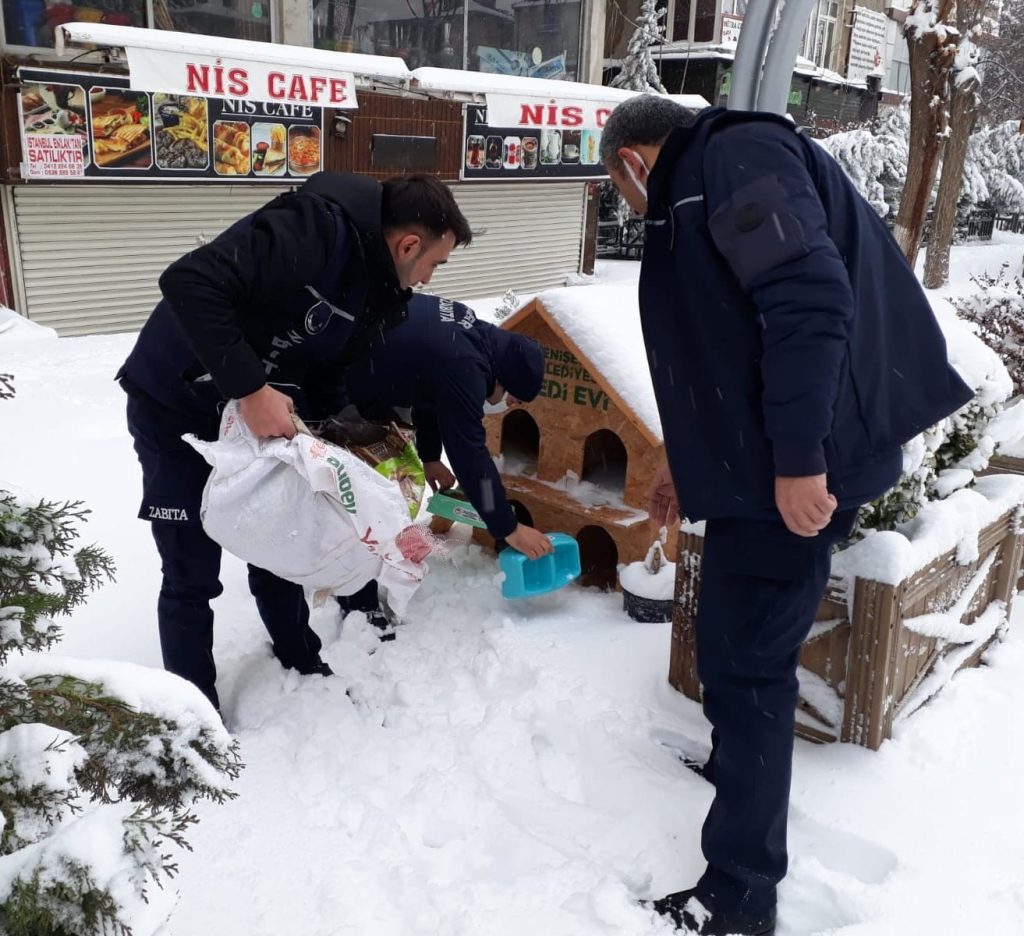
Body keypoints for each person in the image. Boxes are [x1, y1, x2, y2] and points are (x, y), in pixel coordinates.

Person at [600, 96, 972, 935]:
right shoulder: (711, 174)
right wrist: (681, 466)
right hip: (755, 469)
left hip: (791, 472)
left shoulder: (732, 161)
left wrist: (801, 462)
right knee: (735, 652)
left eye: (619, 190)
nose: (629, 208)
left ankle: (738, 894)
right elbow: (723, 346)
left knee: (747, 667)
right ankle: (736, 770)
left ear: (632, 160)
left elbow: (807, 299)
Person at [117, 172, 472, 711]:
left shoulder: (379, 292)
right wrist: (252, 388)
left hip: (260, 417)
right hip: (178, 405)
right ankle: (194, 718)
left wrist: (337, 443)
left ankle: (299, 654)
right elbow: (189, 282)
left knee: (280, 538)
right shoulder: (314, 230)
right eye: (434, 263)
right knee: (191, 570)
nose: (428, 278)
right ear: (407, 244)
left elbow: (328, 368)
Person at [331, 292, 554, 630]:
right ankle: (356, 604)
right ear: (503, 378)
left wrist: (431, 457)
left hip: (351, 353)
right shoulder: (466, 367)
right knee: (354, 496)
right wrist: (508, 528)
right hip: (335, 382)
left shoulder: (468, 333)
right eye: (512, 398)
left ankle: (354, 582)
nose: (507, 405)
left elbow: (428, 388)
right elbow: (470, 454)